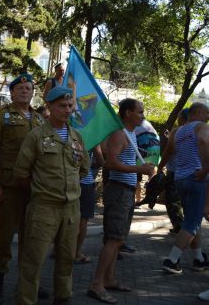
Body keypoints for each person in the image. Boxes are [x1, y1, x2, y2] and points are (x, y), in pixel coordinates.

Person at [14, 86, 90, 305]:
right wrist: (42, 190)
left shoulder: (76, 137)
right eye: (62, 106)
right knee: (34, 260)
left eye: (70, 105)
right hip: (44, 207)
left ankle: (63, 297)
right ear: (49, 107)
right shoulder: (36, 136)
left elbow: (82, 169)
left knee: (67, 258)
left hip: (71, 208)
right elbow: (21, 172)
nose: (67, 110)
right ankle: (26, 300)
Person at [0, 73, 47, 304]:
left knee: (31, 239)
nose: (25, 91)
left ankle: (28, 283)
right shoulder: (3, 115)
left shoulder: (40, 120)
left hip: (34, 189)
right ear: (11, 92)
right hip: (10, 187)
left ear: (33, 92)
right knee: (3, 237)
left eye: (29, 88)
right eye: (20, 88)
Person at [88, 98, 155, 304]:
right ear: (127, 113)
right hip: (118, 191)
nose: (143, 116)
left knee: (118, 239)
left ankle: (108, 279)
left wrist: (142, 166)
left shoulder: (131, 133)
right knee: (113, 239)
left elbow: (122, 159)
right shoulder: (119, 133)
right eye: (140, 112)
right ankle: (97, 284)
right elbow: (110, 163)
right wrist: (139, 169)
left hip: (125, 191)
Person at [162, 102, 209, 275]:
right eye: (206, 112)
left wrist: (159, 169)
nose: (208, 116)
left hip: (180, 178)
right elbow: (204, 141)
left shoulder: (179, 131)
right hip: (197, 178)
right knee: (193, 222)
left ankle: (199, 259)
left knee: (191, 218)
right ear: (198, 112)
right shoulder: (201, 126)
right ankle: (172, 260)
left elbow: (169, 151)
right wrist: (206, 168)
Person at [154, 108, 188, 234]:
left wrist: (160, 165)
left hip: (175, 171)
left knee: (173, 200)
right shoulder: (198, 131)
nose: (178, 119)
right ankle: (189, 227)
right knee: (186, 201)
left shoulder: (177, 131)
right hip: (191, 172)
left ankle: (179, 227)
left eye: (179, 117)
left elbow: (170, 151)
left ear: (183, 118)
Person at [75, 145, 104, 264]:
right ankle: (76, 252)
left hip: (68, 181)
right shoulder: (92, 137)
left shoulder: (68, 132)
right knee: (83, 218)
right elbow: (100, 161)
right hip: (85, 183)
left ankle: (57, 250)